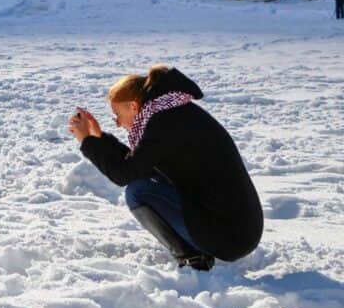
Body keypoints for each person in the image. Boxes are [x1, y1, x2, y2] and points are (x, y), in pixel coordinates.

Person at [67, 65, 263, 271]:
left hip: (229, 237)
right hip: (237, 231)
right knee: (143, 184)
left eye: (117, 114)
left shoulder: (165, 122)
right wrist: (99, 139)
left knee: (138, 192)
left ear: (133, 107)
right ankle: (196, 250)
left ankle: (193, 259)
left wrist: (87, 142)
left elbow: (125, 174)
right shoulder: (171, 113)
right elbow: (140, 165)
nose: (117, 123)